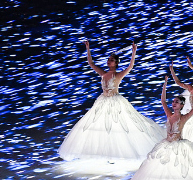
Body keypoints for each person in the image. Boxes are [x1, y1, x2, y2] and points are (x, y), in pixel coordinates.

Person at [59, 41, 163, 171]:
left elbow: (131, 66)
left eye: (112, 60)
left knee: (117, 127)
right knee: (100, 126)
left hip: (115, 102)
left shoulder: (117, 75)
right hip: (103, 102)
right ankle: (104, 154)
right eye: (108, 60)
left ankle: (118, 154)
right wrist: (88, 48)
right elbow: (91, 63)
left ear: (116, 63)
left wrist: (134, 51)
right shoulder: (103, 73)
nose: (109, 61)